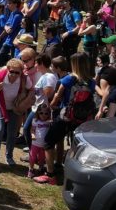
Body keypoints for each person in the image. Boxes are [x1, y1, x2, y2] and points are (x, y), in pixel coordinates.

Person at [35, 53, 96, 185]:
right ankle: (70, 171)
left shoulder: (69, 79)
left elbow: (57, 95)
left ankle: (50, 174)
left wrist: (51, 106)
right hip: (81, 119)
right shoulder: (91, 81)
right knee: (76, 147)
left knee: (49, 142)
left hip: (65, 117)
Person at [0, 58, 33, 173]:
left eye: (17, 72)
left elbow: (31, 89)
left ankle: (9, 156)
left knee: (12, 133)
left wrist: (26, 101)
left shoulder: (24, 79)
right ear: (8, 69)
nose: (13, 74)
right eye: (11, 71)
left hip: (14, 108)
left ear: (21, 72)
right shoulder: (0, 76)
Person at [27, 103, 52, 179]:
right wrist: (33, 135)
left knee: (42, 157)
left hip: (44, 144)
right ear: (38, 112)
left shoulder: (49, 122)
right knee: (32, 157)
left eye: (46, 113)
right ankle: (30, 169)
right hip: (35, 143)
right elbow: (32, 129)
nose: (43, 115)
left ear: (49, 114)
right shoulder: (35, 121)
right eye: (41, 113)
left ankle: (40, 168)